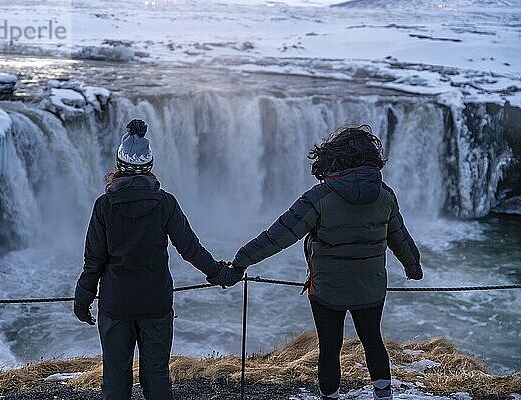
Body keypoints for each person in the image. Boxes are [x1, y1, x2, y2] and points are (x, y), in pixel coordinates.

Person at [228, 125, 423, 400]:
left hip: (327, 290)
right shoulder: (385, 195)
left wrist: (241, 261)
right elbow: (400, 237)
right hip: (371, 288)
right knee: (373, 341)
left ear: (334, 157)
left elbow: (279, 235)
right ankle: (383, 395)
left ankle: (330, 396)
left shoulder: (319, 198)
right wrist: (413, 267)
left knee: (330, 348)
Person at [73, 119, 239, 400]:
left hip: (116, 306)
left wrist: (83, 298)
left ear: (119, 166)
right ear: (149, 167)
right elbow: (190, 248)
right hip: (156, 303)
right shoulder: (164, 203)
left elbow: (94, 260)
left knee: (114, 379)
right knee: (157, 376)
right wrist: (218, 273)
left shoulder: (104, 206)